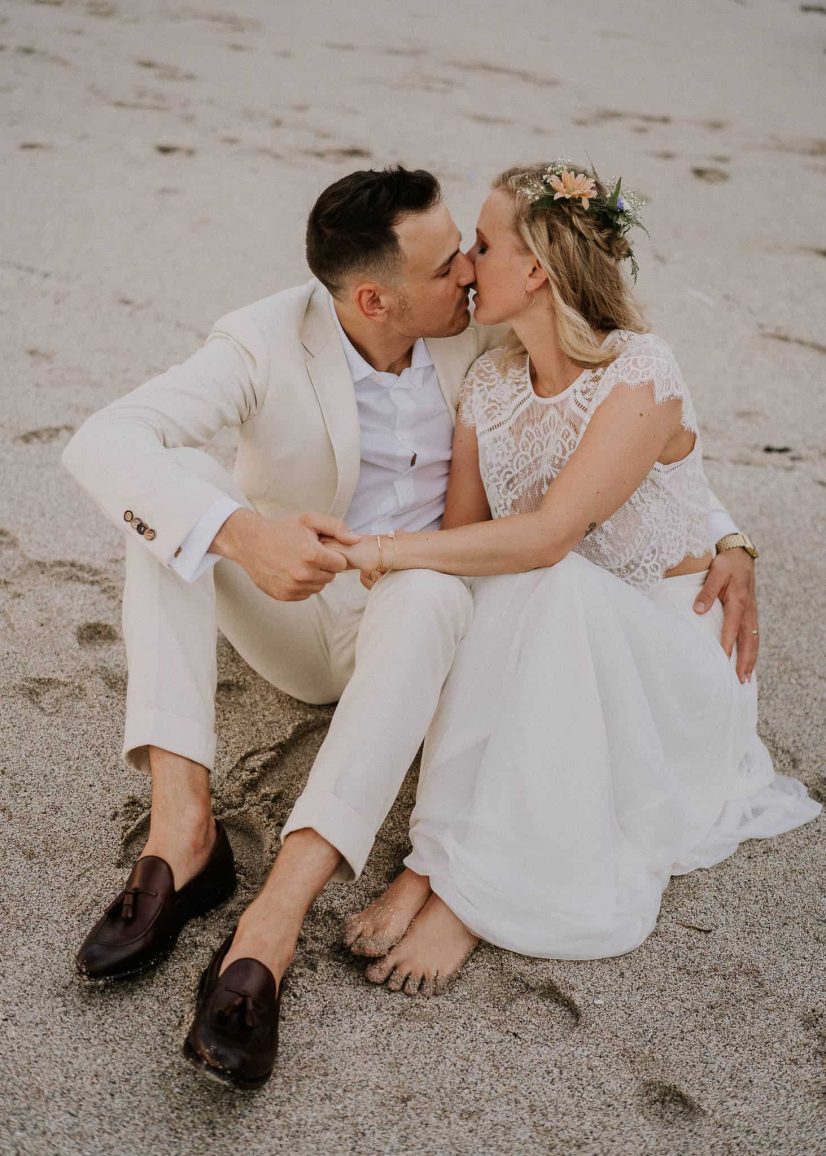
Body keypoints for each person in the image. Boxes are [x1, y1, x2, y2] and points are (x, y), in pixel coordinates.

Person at [62, 166, 757, 1088]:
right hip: (295, 603)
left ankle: (273, 922)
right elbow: (100, 442)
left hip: (423, 623)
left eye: (472, 250)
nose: (466, 271)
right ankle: (181, 834)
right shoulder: (264, 340)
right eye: (446, 265)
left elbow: (628, 430)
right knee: (170, 505)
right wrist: (245, 536)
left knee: (436, 590)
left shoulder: (486, 333)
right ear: (373, 298)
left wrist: (728, 537)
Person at [332, 162, 821, 997]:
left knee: (546, 573)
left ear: (535, 270)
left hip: (671, 652)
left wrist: (375, 551)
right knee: (502, 587)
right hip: (555, 623)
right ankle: (432, 856)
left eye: (482, 246)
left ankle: (464, 895)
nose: (466, 266)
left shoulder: (641, 372)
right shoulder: (490, 384)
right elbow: (465, 541)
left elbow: (549, 535)